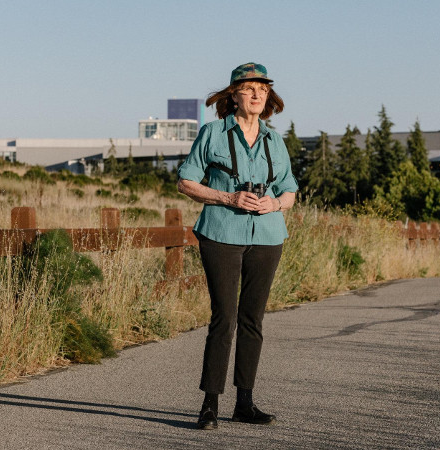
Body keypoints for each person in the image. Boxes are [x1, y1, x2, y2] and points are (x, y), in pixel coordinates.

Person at [177, 62, 298, 430]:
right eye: (249, 88)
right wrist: (228, 198)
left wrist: (274, 203)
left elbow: (290, 191)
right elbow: (186, 182)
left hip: (267, 236)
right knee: (224, 318)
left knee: (253, 321)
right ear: (234, 95)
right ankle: (209, 405)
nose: (258, 94)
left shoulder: (275, 140)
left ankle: (245, 403)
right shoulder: (213, 133)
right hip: (220, 234)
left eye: (263, 88)